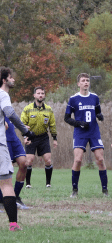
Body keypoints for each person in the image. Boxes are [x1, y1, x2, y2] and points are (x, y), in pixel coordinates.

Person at [0, 67, 35, 231]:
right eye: (10, 77)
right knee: (6, 184)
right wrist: (25, 130)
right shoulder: (3, 94)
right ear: (4, 80)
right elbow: (10, 113)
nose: (13, 79)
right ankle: (13, 225)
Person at [64, 73, 108, 197]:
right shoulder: (73, 99)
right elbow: (66, 118)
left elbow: (98, 112)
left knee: (100, 159)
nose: (86, 82)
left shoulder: (94, 97)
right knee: (77, 160)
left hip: (94, 132)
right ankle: (74, 190)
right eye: (83, 81)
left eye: (87, 80)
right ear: (78, 84)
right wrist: (79, 123)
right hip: (80, 133)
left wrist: (100, 116)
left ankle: (105, 190)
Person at [20, 86, 58, 188]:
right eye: (38, 93)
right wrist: (25, 136)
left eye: (42, 93)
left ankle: (48, 184)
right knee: (29, 161)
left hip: (43, 137)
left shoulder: (49, 110)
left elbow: (52, 125)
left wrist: (54, 138)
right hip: (31, 137)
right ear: (34, 95)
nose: (40, 95)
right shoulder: (27, 109)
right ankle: (28, 184)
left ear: (44, 95)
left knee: (48, 160)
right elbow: (21, 124)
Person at [0, 117, 29, 209]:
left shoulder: (6, 104)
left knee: (24, 163)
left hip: (13, 138)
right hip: (3, 139)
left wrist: (22, 128)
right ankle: (2, 201)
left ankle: (15, 198)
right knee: (5, 169)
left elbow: (12, 118)